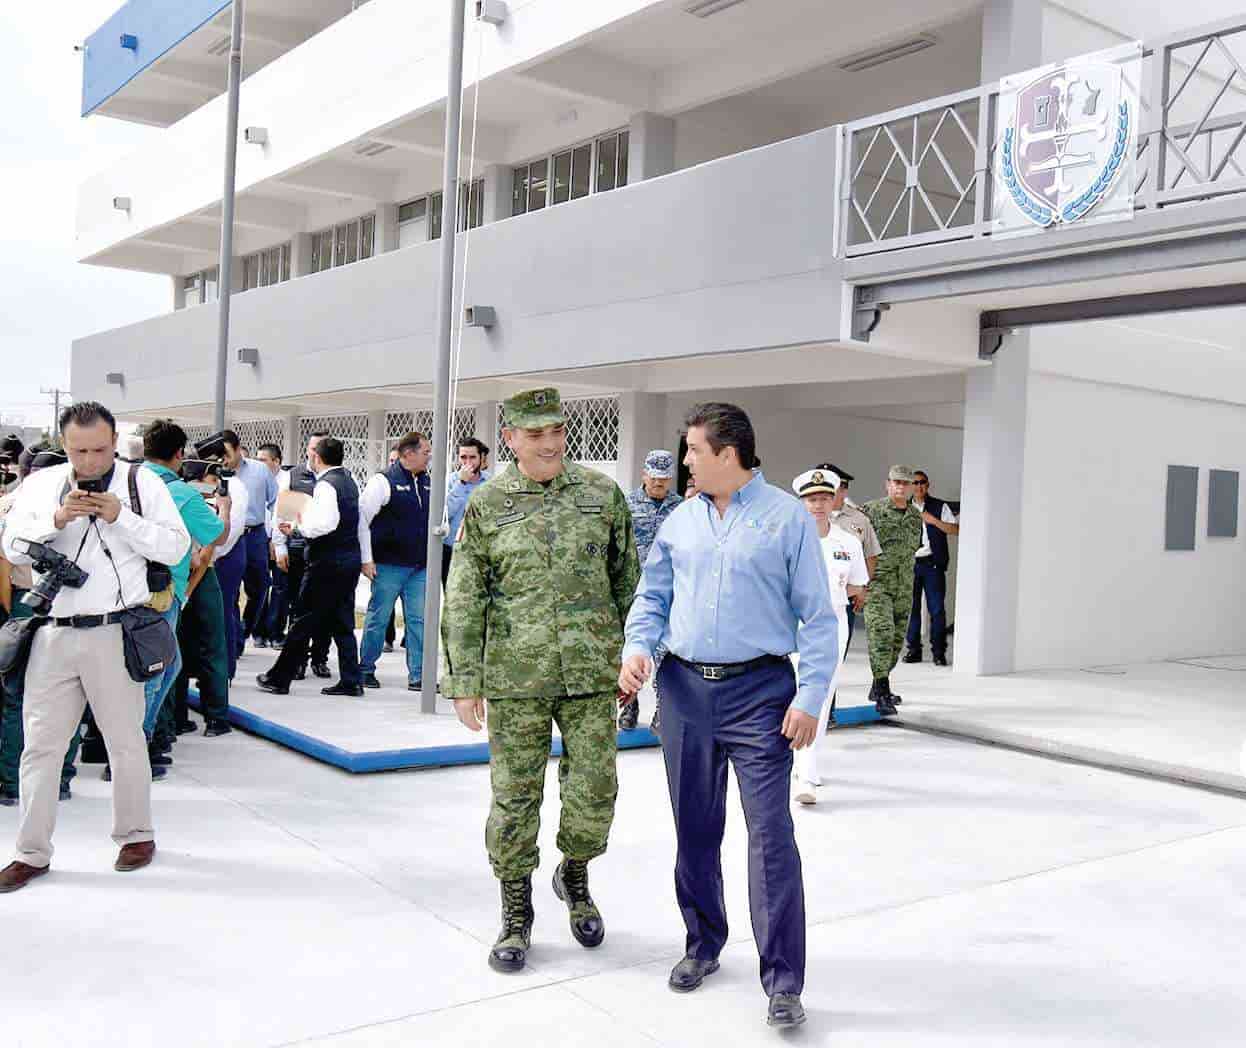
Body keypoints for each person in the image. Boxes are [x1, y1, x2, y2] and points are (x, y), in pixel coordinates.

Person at [619, 402, 837, 1030]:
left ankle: (784, 980)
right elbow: (652, 598)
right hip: (685, 691)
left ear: (727, 453)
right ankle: (702, 942)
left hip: (761, 693)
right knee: (695, 825)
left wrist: (808, 697)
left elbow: (818, 619)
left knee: (770, 836)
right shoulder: (680, 522)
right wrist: (638, 650)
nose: (684, 460)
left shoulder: (785, 519)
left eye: (692, 450)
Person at [443, 387, 640, 974]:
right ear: (510, 439)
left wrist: (636, 657)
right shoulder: (488, 503)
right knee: (514, 799)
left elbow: (630, 582)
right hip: (514, 676)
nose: (550, 443)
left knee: (595, 790)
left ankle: (574, 874)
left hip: (591, 674)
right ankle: (516, 908)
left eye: (556, 431)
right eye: (535, 434)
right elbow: (465, 594)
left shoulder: (602, 495)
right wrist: (464, 680)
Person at [0, 402, 189, 893]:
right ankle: (31, 852)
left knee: (125, 740)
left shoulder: (140, 483)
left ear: (114, 443)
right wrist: (58, 518)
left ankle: (136, 835)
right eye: (80, 451)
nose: (90, 461)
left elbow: (175, 547)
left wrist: (121, 518)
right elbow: (12, 546)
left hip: (115, 629)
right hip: (53, 631)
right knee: (40, 747)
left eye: (100, 450)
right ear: (64, 446)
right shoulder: (41, 485)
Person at [139, 420, 232, 757]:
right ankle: (140, 746)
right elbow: (217, 537)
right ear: (179, 454)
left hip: (114, 589)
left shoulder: (122, 484)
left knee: (155, 668)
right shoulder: (180, 493)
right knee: (158, 671)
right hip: (161, 593)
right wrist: (225, 509)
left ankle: (111, 744)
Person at [0, 448, 80, 807]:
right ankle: (61, 779)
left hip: (21, 603)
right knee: (72, 694)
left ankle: (12, 782)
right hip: (68, 606)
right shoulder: (77, 504)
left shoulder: (10, 505)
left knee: (17, 695)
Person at [257, 436, 363, 697]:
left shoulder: (326, 485)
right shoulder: (349, 481)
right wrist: (296, 526)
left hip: (327, 562)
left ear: (317, 458)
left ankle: (279, 678)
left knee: (303, 619)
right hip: (348, 559)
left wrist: (299, 528)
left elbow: (325, 524)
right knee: (342, 622)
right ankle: (352, 680)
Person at [790, 468, 868, 805]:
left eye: (823, 498)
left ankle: (806, 765)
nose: (817, 505)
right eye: (811, 499)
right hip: (795, 624)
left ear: (834, 500)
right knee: (796, 693)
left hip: (833, 623)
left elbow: (856, 585)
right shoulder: (788, 538)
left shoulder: (848, 542)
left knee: (822, 695)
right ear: (802, 501)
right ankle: (804, 769)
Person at [357, 431, 432, 691]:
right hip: (388, 565)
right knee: (379, 617)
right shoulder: (383, 481)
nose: (429, 456)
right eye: (425, 452)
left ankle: (419, 675)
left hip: (419, 568)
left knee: (419, 621)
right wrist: (366, 560)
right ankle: (365, 668)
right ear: (408, 454)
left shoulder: (427, 481)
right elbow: (362, 521)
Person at [620, 449, 682, 732]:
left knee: (664, 652)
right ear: (644, 474)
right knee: (632, 651)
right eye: (654, 479)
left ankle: (662, 708)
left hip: (669, 591)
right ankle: (629, 705)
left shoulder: (681, 508)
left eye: (664, 480)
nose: (659, 485)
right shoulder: (626, 504)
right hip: (633, 590)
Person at [861, 466, 924, 716]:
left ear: (911, 488)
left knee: (897, 640)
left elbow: (914, 549)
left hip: (904, 585)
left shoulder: (915, 517)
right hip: (877, 584)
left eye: (906, 484)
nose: (900, 487)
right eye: (896, 482)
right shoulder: (871, 511)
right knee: (882, 635)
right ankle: (882, 691)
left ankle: (879, 685)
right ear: (887, 484)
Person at [272, 433, 332, 680]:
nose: (316, 452)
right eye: (313, 447)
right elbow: (281, 514)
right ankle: (297, 660)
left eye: (321, 447)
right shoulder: (294, 476)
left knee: (324, 609)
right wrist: (280, 547)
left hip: (325, 552)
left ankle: (320, 658)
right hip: (297, 549)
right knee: (298, 608)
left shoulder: (336, 478)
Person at [220, 431, 278, 658]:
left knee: (261, 587)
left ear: (237, 449)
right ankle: (234, 641)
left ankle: (244, 629)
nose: (223, 458)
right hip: (230, 537)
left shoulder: (259, 470)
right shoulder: (218, 473)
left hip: (255, 536)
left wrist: (275, 537)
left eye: (226, 453)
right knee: (231, 591)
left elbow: (275, 501)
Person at [903, 469, 959, 667]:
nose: (918, 486)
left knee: (936, 608)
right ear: (910, 485)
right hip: (910, 563)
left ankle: (938, 651)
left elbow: (955, 529)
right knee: (912, 608)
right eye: (915, 483)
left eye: (922, 482)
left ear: (928, 485)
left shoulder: (938, 506)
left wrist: (933, 520)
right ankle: (914, 649)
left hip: (932, 562)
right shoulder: (902, 507)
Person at [443, 437, 491, 589]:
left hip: (480, 549)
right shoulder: (450, 481)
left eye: (472, 457)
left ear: (481, 458)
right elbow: (444, 514)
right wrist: (461, 483)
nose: (468, 462)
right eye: (463, 457)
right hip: (452, 549)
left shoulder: (490, 482)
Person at [253, 443, 287, 648]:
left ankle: (275, 631)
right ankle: (258, 631)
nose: (259, 464)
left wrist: (276, 540)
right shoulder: (255, 480)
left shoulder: (286, 481)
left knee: (280, 588)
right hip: (259, 539)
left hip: (280, 540)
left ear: (276, 462)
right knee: (259, 587)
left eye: (263, 460)